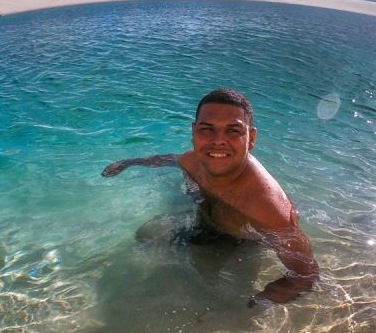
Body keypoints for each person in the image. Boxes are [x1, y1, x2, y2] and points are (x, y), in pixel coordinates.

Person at [102, 88, 319, 305]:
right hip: (207, 224)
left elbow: (306, 274)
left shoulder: (265, 206)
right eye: (207, 129)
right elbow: (170, 159)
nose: (218, 141)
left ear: (251, 138)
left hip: (241, 243)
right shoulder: (193, 161)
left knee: (201, 290)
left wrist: (252, 306)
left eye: (233, 130)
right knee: (144, 237)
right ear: (194, 132)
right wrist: (129, 163)